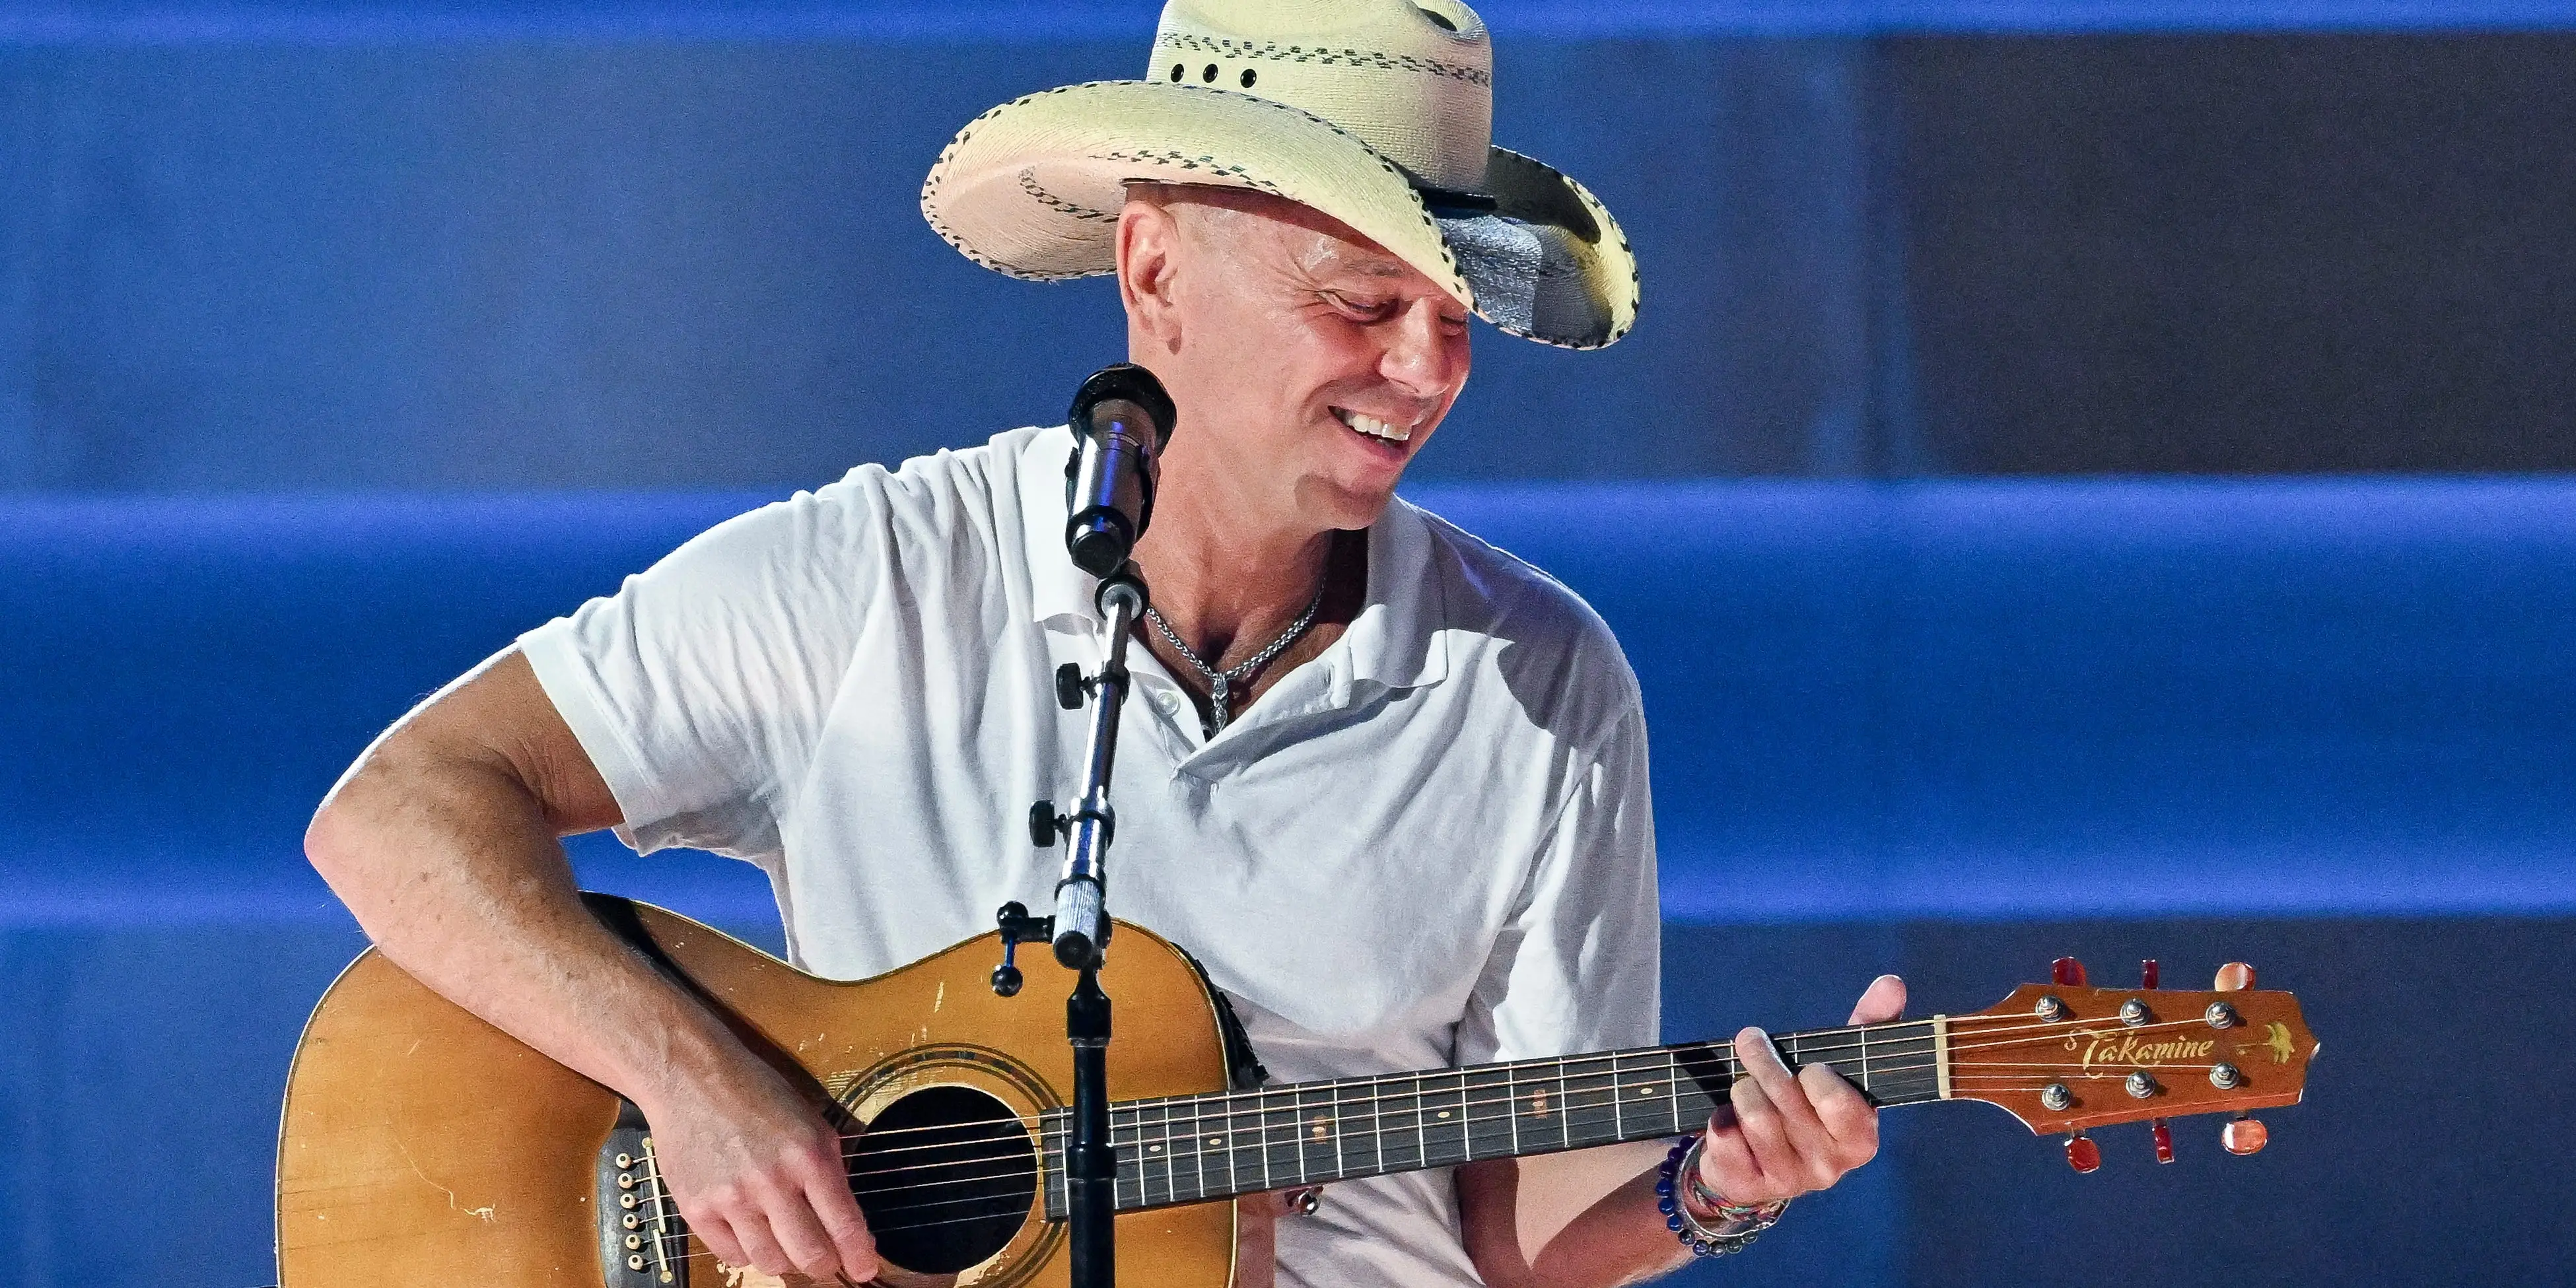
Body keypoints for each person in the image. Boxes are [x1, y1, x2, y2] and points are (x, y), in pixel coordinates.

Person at [303, 1, 1903, 1284]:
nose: (1423, 369)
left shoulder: (1540, 682)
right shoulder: (881, 572)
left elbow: (1514, 1235)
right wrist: (696, 1086)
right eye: (1359, 302)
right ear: (1155, 273)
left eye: (1456, 318)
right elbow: (397, 809)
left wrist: (1710, 1193)